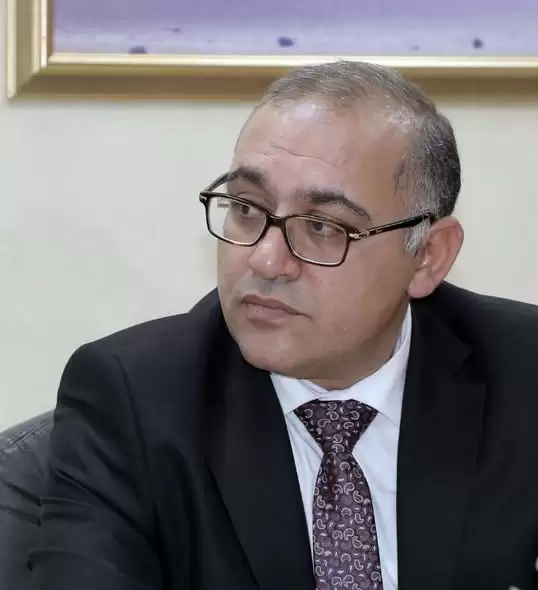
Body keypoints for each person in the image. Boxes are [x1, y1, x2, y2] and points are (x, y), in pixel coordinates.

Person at [31, 61, 538, 590]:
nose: (266, 260)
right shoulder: (132, 400)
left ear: (428, 256)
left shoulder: (525, 376)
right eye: (247, 208)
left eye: (322, 226)